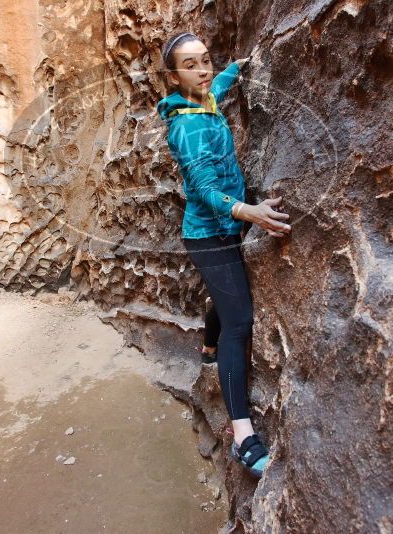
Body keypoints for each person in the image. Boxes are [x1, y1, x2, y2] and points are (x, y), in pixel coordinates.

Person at [156, 32, 292, 478]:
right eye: (190, 65)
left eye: (205, 60)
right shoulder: (187, 126)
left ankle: (209, 348)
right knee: (240, 320)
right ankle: (242, 437)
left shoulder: (203, 97)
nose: (202, 70)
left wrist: (239, 66)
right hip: (208, 236)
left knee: (224, 298)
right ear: (172, 77)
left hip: (225, 229)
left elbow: (217, 85)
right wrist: (250, 211)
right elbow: (203, 189)